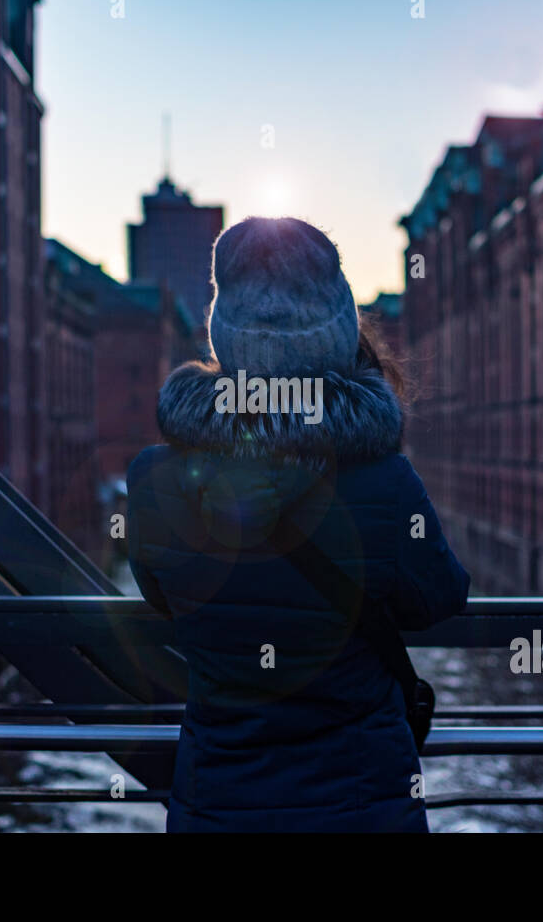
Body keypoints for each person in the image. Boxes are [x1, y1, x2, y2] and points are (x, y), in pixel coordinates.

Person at [126, 215, 470, 832]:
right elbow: (439, 598)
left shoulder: (155, 481)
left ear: (224, 336)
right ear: (337, 337)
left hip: (218, 809)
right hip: (362, 810)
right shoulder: (387, 482)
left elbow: (162, 596)